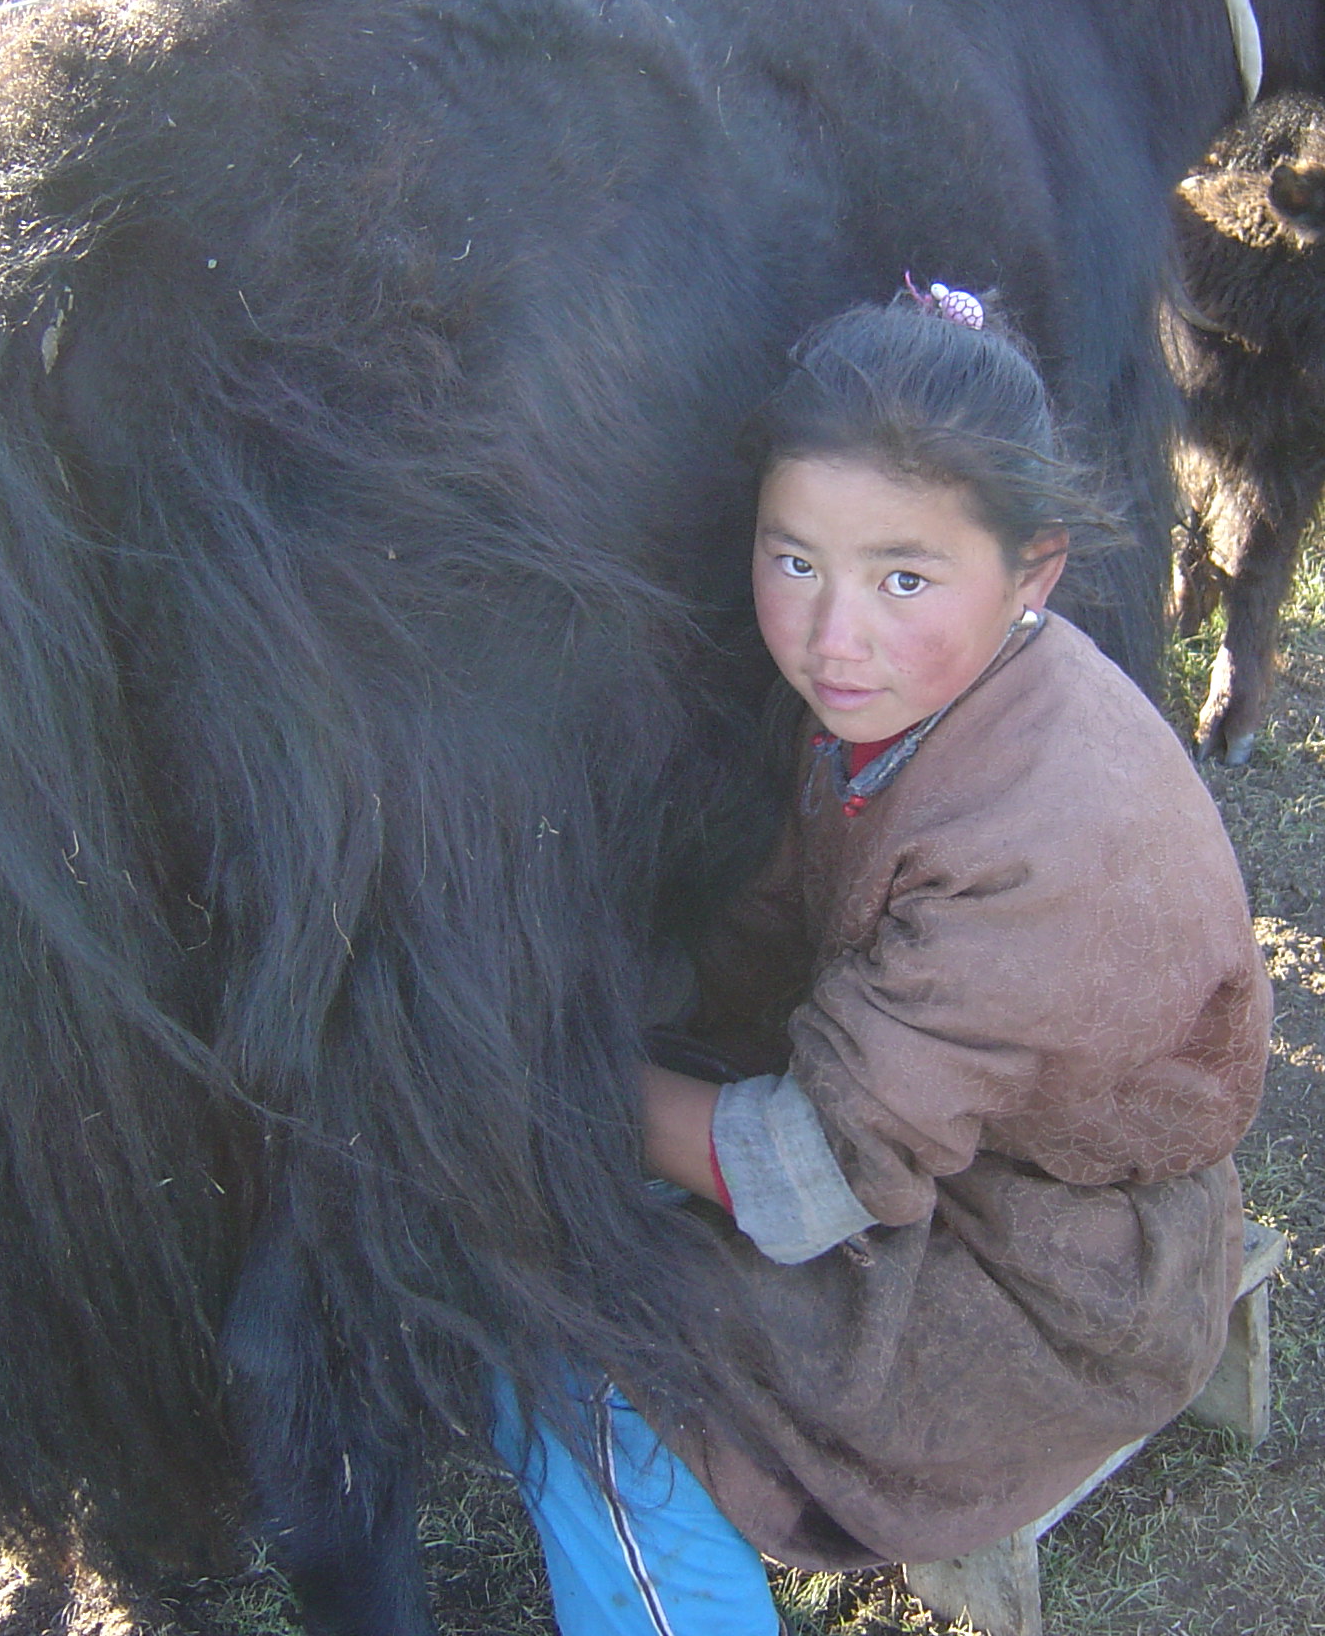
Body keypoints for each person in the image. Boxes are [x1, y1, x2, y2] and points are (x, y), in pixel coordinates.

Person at [498, 289, 1273, 1634]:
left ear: (1033, 573)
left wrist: (562, 1094)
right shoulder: (928, 693)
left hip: (1060, 1296)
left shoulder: (1033, 837)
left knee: (579, 1351)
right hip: (996, 1189)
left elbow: (810, 1179)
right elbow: (781, 935)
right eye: (793, 560)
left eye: (902, 577)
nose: (829, 632)